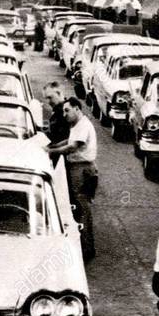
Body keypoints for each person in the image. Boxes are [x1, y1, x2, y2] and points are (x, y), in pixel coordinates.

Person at [48, 97, 98, 260]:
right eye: (63, 111)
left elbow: (72, 147)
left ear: (77, 108)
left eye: (67, 110)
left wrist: (50, 152)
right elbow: (68, 140)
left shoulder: (83, 125)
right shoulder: (77, 125)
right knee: (79, 206)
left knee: (83, 208)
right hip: (78, 168)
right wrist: (52, 145)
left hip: (82, 169)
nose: (64, 114)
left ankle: (87, 249)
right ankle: (82, 246)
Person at [43, 81, 70, 146]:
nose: (48, 102)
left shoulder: (67, 112)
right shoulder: (57, 111)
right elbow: (48, 131)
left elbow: (70, 140)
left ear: (58, 93)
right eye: (46, 98)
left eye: (50, 98)